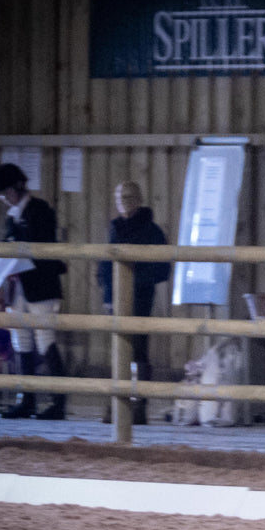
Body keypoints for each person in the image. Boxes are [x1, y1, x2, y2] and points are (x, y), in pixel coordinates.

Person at [0, 162, 68, 419]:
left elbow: (42, 244)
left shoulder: (41, 210)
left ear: (17, 187)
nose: (4, 199)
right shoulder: (11, 215)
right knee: (20, 341)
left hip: (40, 284)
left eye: (6, 192)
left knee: (45, 339)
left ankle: (58, 401)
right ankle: (26, 398)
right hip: (17, 286)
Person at [97, 181, 171, 425]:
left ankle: (139, 407)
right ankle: (117, 405)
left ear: (139, 199)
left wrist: (133, 282)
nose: (124, 201)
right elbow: (106, 266)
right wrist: (108, 295)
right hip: (115, 301)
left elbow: (161, 269)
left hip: (139, 299)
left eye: (128, 197)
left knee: (138, 351)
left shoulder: (152, 231)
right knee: (118, 351)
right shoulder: (115, 228)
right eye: (119, 197)